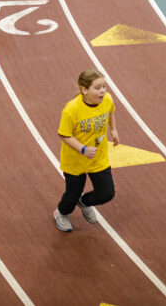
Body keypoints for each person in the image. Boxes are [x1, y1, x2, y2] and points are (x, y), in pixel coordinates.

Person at [54, 69, 119, 232]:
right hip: (75, 161)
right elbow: (64, 135)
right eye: (97, 88)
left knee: (106, 193)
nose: (103, 91)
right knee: (71, 196)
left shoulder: (107, 99)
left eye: (104, 86)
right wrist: (82, 149)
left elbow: (110, 112)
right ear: (84, 90)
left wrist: (114, 130)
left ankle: (84, 203)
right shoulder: (72, 109)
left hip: (98, 158)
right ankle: (61, 213)